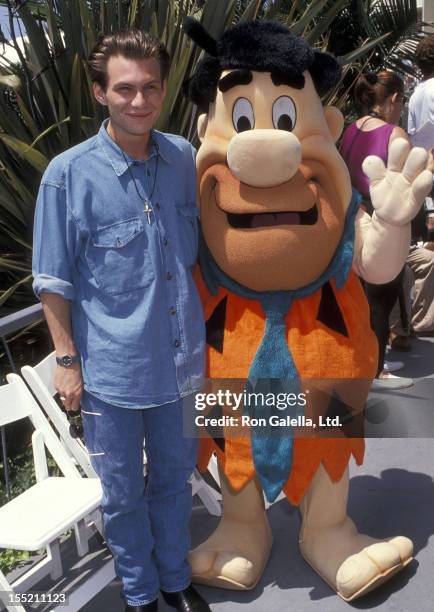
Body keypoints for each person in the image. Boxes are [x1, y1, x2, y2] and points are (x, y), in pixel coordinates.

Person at [32, 29, 210, 612]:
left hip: (183, 365)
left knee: (173, 482)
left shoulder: (183, 157)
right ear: (100, 92)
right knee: (123, 494)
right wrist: (65, 363)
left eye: (150, 88)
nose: (140, 101)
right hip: (114, 372)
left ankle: (175, 580)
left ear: (163, 90)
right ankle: (140, 595)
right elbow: (53, 283)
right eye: (125, 89)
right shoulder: (67, 175)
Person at [340, 70, 414, 389]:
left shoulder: (349, 130)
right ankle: (377, 369)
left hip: (352, 218)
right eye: (402, 101)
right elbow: (407, 185)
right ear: (395, 99)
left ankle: (362, 361)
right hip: (382, 221)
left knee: (358, 297)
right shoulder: (395, 134)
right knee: (382, 297)